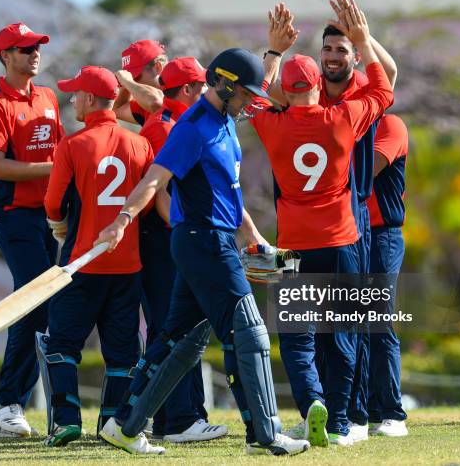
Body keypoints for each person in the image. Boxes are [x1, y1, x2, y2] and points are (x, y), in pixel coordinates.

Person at [95, 47, 311, 456]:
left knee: (180, 340)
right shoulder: (191, 127)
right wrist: (123, 219)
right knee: (251, 332)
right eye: (245, 93)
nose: (251, 101)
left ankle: (123, 426)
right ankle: (265, 436)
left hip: (214, 239)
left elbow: (229, 196)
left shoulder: (226, 122)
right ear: (224, 86)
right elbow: (154, 181)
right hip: (201, 242)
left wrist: (256, 240)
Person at [249, 0, 394, 446]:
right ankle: (339, 423)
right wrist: (363, 41)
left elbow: (252, 95)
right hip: (342, 238)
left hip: (293, 242)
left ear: (287, 92)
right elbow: (383, 91)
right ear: (318, 85)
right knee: (344, 332)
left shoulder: (272, 125)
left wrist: (273, 51)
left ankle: (312, 401)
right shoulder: (343, 117)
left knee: (296, 336)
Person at [42, 66, 154, 446]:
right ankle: (111, 424)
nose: (71, 99)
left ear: (90, 99)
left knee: (61, 344)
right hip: (127, 264)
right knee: (122, 351)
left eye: (75, 94)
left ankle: (66, 420)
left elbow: (54, 203)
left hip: (81, 263)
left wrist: (58, 224)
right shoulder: (140, 144)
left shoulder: (72, 145)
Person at [0, 22, 63, 438]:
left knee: (44, 304)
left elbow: (60, 151)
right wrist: (59, 168)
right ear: (5, 56)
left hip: (47, 215)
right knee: (35, 302)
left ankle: (14, 404)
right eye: (24, 48)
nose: (34, 53)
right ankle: (8, 404)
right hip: (12, 215)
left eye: (36, 47)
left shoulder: (46, 97)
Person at [316, 0, 398, 442]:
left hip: (353, 218)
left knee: (352, 320)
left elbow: (391, 78)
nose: (332, 57)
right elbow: (267, 94)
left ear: (352, 58)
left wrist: (364, 39)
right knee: (315, 323)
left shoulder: (360, 96)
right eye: (327, 50)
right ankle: (327, 412)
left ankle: (356, 417)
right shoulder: (306, 93)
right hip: (309, 222)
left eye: (341, 51)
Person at [138, 57, 227, 442]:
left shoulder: (172, 122)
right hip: (168, 241)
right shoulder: (169, 126)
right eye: (204, 86)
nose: (211, 94)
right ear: (190, 90)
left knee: (177, 329)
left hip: (171, 238)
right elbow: (161, 190)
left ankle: (168, 418)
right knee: (177, 331)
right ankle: (179, 419)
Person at [366, 114, 409, 437]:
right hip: (348, 236)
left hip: (383, 235)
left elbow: (366, 171)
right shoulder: (337, 122)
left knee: (378, 320)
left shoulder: (390, 125)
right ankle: (361, 410)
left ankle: (392, 413)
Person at [113, 39, 167, 127]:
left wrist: (128, 81)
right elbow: (116, 110)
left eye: (136, 76)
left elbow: (155, 103)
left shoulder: (182, 90)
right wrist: (125, 85)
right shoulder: (144, 104)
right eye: (131, 78)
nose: (134, 82)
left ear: (157, 67)